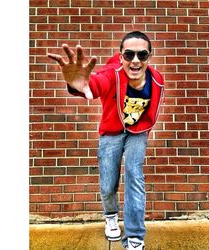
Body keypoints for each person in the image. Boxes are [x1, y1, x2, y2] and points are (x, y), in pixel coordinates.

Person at [47, 31, 164, 250]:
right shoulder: (113, 73)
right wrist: (80, 85)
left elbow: (151, 110)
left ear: (149, 56)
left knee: (134, 176)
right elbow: (98, 82)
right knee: (109, 182)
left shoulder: (156, 79)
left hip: (138, 131)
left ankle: (135, 238)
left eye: (142, 55)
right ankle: (110, 215)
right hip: (111, 131)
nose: (135, 60)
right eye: (129, 55)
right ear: (121, 57)